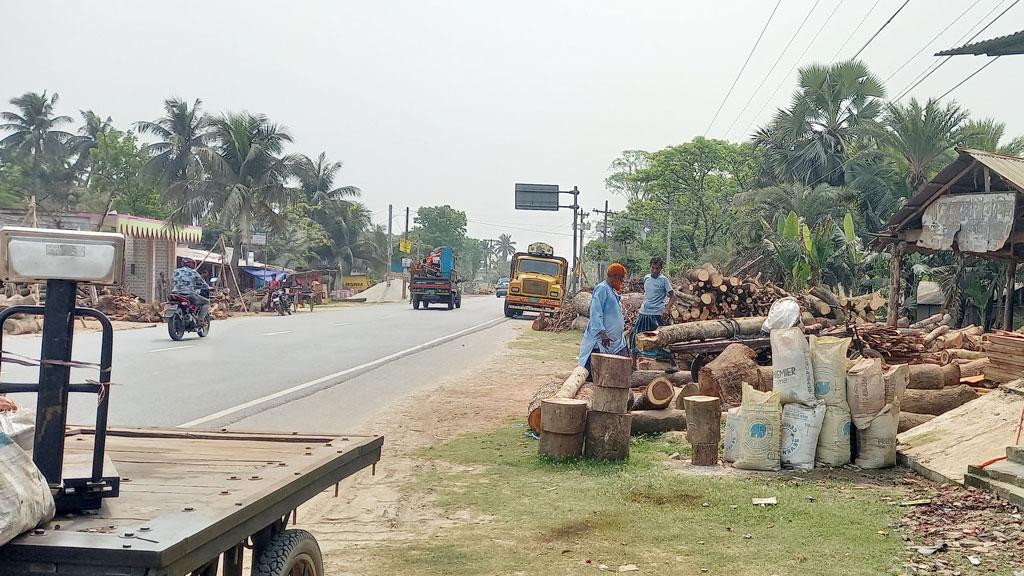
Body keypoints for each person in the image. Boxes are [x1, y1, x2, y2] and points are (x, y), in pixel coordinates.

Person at [579, 263, 629, 375]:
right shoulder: (602, 289)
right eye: (621, 278)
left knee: (622, 372)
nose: (621, 281)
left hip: (616, 342)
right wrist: (602, 333)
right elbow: (596, 312)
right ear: (615, 276)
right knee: (594, 374)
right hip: (602, 341)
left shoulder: (611, 290)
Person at [631, 257, 675, 361]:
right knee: (636, 338)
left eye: (657, 268)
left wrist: (667, 308)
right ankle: (633, 363)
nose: (654, 271)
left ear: (661, 269)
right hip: (644, 313)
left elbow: (673, 296)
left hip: (656, 314)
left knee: (659, 340)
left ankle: (668, 362)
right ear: (650, 267)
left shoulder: (664, 280)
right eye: (653, 268)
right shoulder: (646, 278)